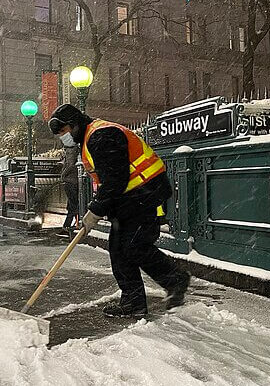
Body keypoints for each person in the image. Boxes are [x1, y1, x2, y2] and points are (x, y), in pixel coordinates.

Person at [48, 104, 190, 318]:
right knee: (118, 248)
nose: (64, 137)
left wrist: (95, 210)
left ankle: (175, 279)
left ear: (75, 124)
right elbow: (110, 181)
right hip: (130, 197)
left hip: (145, 192)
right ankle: (134, 301)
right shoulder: (90, 137)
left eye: (64, 131)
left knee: (134, 245)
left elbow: (115, 179)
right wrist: (101, 207)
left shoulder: (102, 136)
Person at [61, 145, 80, 233]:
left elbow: (71, 165)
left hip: (71, 181)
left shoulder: (71, 150)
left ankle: (69, 225)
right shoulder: (71, 150)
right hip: (72, 181)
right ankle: (71, 224)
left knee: (72, 204)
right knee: (73, 204)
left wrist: (63, 174)